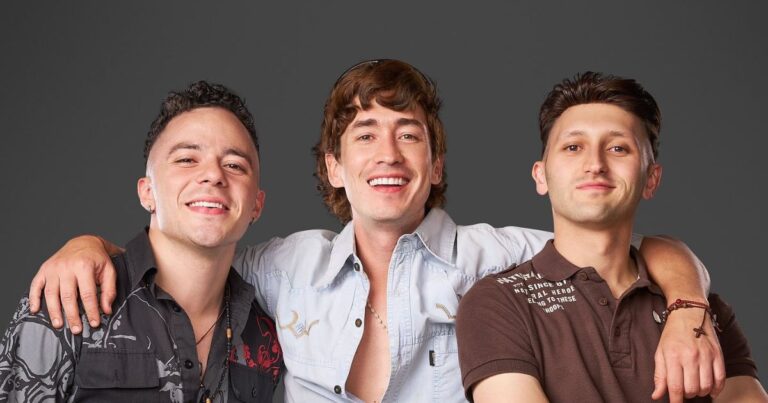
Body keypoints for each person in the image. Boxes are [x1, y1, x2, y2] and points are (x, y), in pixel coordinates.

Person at [28, 60, 722, 402]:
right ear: (334, 166)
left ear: (436, 164)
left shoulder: (495, 257)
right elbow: (194, 238)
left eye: (409, 134)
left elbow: (626, 245)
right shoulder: (284, 264)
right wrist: (93, 246)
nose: (387, 154)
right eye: (364, 134)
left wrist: (689, 305)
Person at [456, 72, 767, 402]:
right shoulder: (498, 303)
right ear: (541, 175)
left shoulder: (701, 310)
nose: (595, 164)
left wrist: (688, 311)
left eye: (618, 148)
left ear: (651, 179)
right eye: (573, 147)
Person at [0, 81, 283, 402]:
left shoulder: (267, 331)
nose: (214, 175)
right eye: (187, 159)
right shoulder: (69, 298)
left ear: (256, 205)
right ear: (147, 192)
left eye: (234, 165)